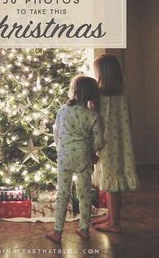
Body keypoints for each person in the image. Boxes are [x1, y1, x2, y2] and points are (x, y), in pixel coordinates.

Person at [46, 75, 104, 243]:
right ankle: (84, 229)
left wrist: (60, 149)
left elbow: (56, 134)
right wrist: (93, 152)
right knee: (84, 193)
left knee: (63, 193)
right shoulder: (92, 116)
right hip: (83, 157)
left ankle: (57, 232)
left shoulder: (62, 110)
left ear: (74, 91)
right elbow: (99, 141)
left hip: (64, 157)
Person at [92, 54, 139, 233]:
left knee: (112, 183)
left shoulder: (100, 95)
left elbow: (97, 118)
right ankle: (111, 215)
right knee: (113, 181)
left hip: (107, 143)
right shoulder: (122, 92)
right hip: (122, 142)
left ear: (103, 74)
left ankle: (115, 223)